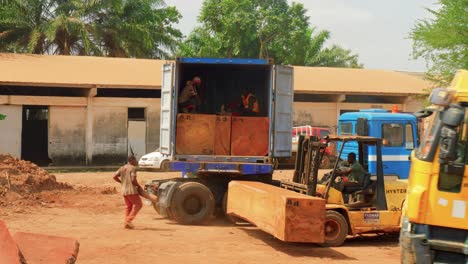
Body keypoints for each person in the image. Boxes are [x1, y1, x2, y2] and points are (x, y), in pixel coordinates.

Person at [113, 156, 146, 229]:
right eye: (135, 160)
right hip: (131, 190)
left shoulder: (122, 168)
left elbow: (114, 176)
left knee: (129, 207)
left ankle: (126, 224)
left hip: (124, 190)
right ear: (131, 160)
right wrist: (139, 186)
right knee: (138, 204)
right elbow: (133, 179)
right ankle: (128, 220)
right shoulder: (132, 168)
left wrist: (121, 182)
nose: (136, 161)